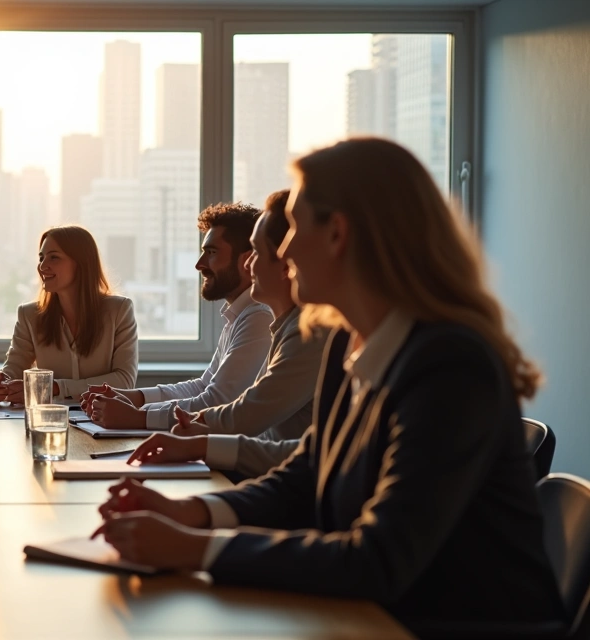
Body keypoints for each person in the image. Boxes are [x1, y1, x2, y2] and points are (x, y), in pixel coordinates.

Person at [93, 138, 564, 634]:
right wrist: (190, 512)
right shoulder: (347, 342)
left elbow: (377, 559)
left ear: (338, 233)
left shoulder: (452, 366)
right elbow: (306, 474)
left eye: (294, 226)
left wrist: (195, 547)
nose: (284, 248)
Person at [126, 190, 327, 480]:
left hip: (283, 489)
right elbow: (260, 431)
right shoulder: (281, 325)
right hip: (273, 482)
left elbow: (244, 413)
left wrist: (181, 428)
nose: (248, 265)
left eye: (256, 253)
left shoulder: (300, 330)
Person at [84, 203, 273, 429]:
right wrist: (133, 397)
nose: (199, 264)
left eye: (211, 252)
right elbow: (202, 386)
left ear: (247, 260)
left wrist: (136, 415)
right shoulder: (240, 315)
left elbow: (216, 402)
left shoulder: (259, 319)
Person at [0, 226, 137, 405]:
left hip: (102, 421)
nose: (42, 266)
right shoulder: (29, 315)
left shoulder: (119, 310)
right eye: (41, 258)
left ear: (81, 263)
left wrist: (56, 387)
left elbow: (125, 381)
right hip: (47, 422)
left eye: (54, 257)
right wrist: (0, 382)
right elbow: (14, 366)